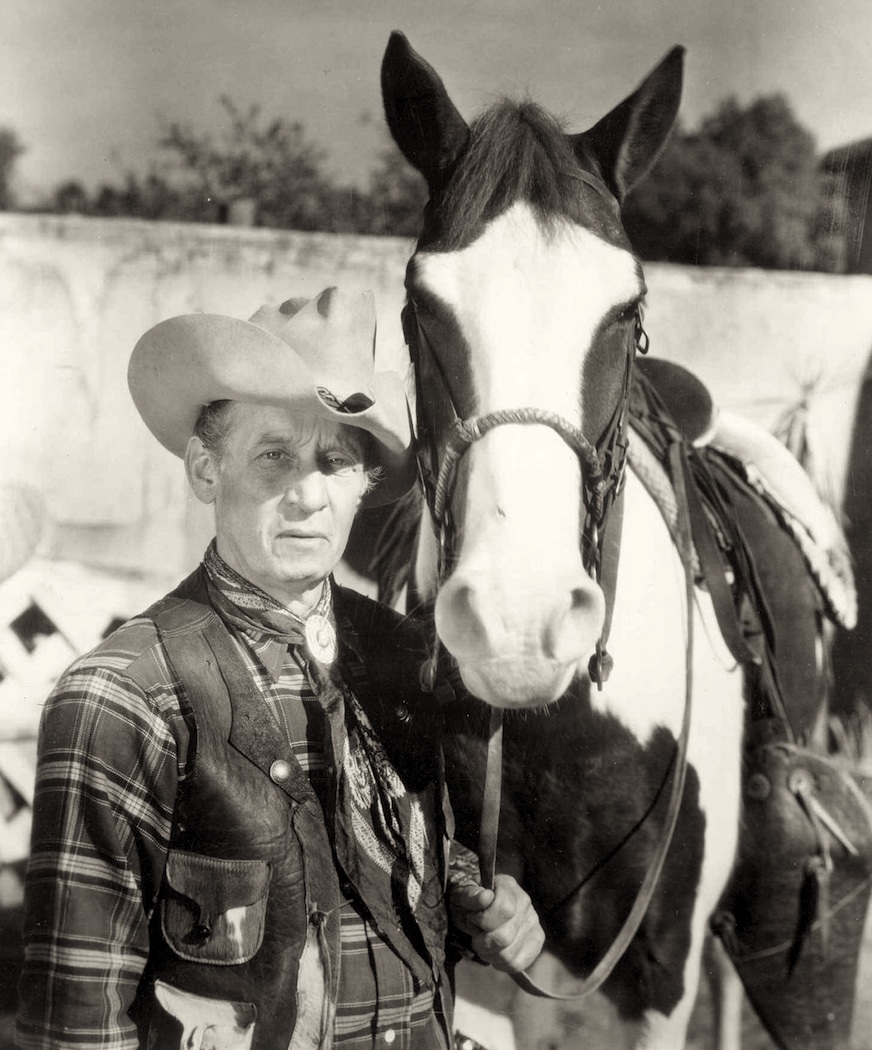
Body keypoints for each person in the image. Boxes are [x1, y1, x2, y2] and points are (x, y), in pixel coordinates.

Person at [15, 287, 544, 1050]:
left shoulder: (405, 658)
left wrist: (475, 902)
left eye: (334, 461)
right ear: (205, 469)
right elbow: (77, 1024)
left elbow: (402, 849)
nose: (307, 495)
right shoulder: (120, 695)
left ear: (362, 484)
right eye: (274, 455)